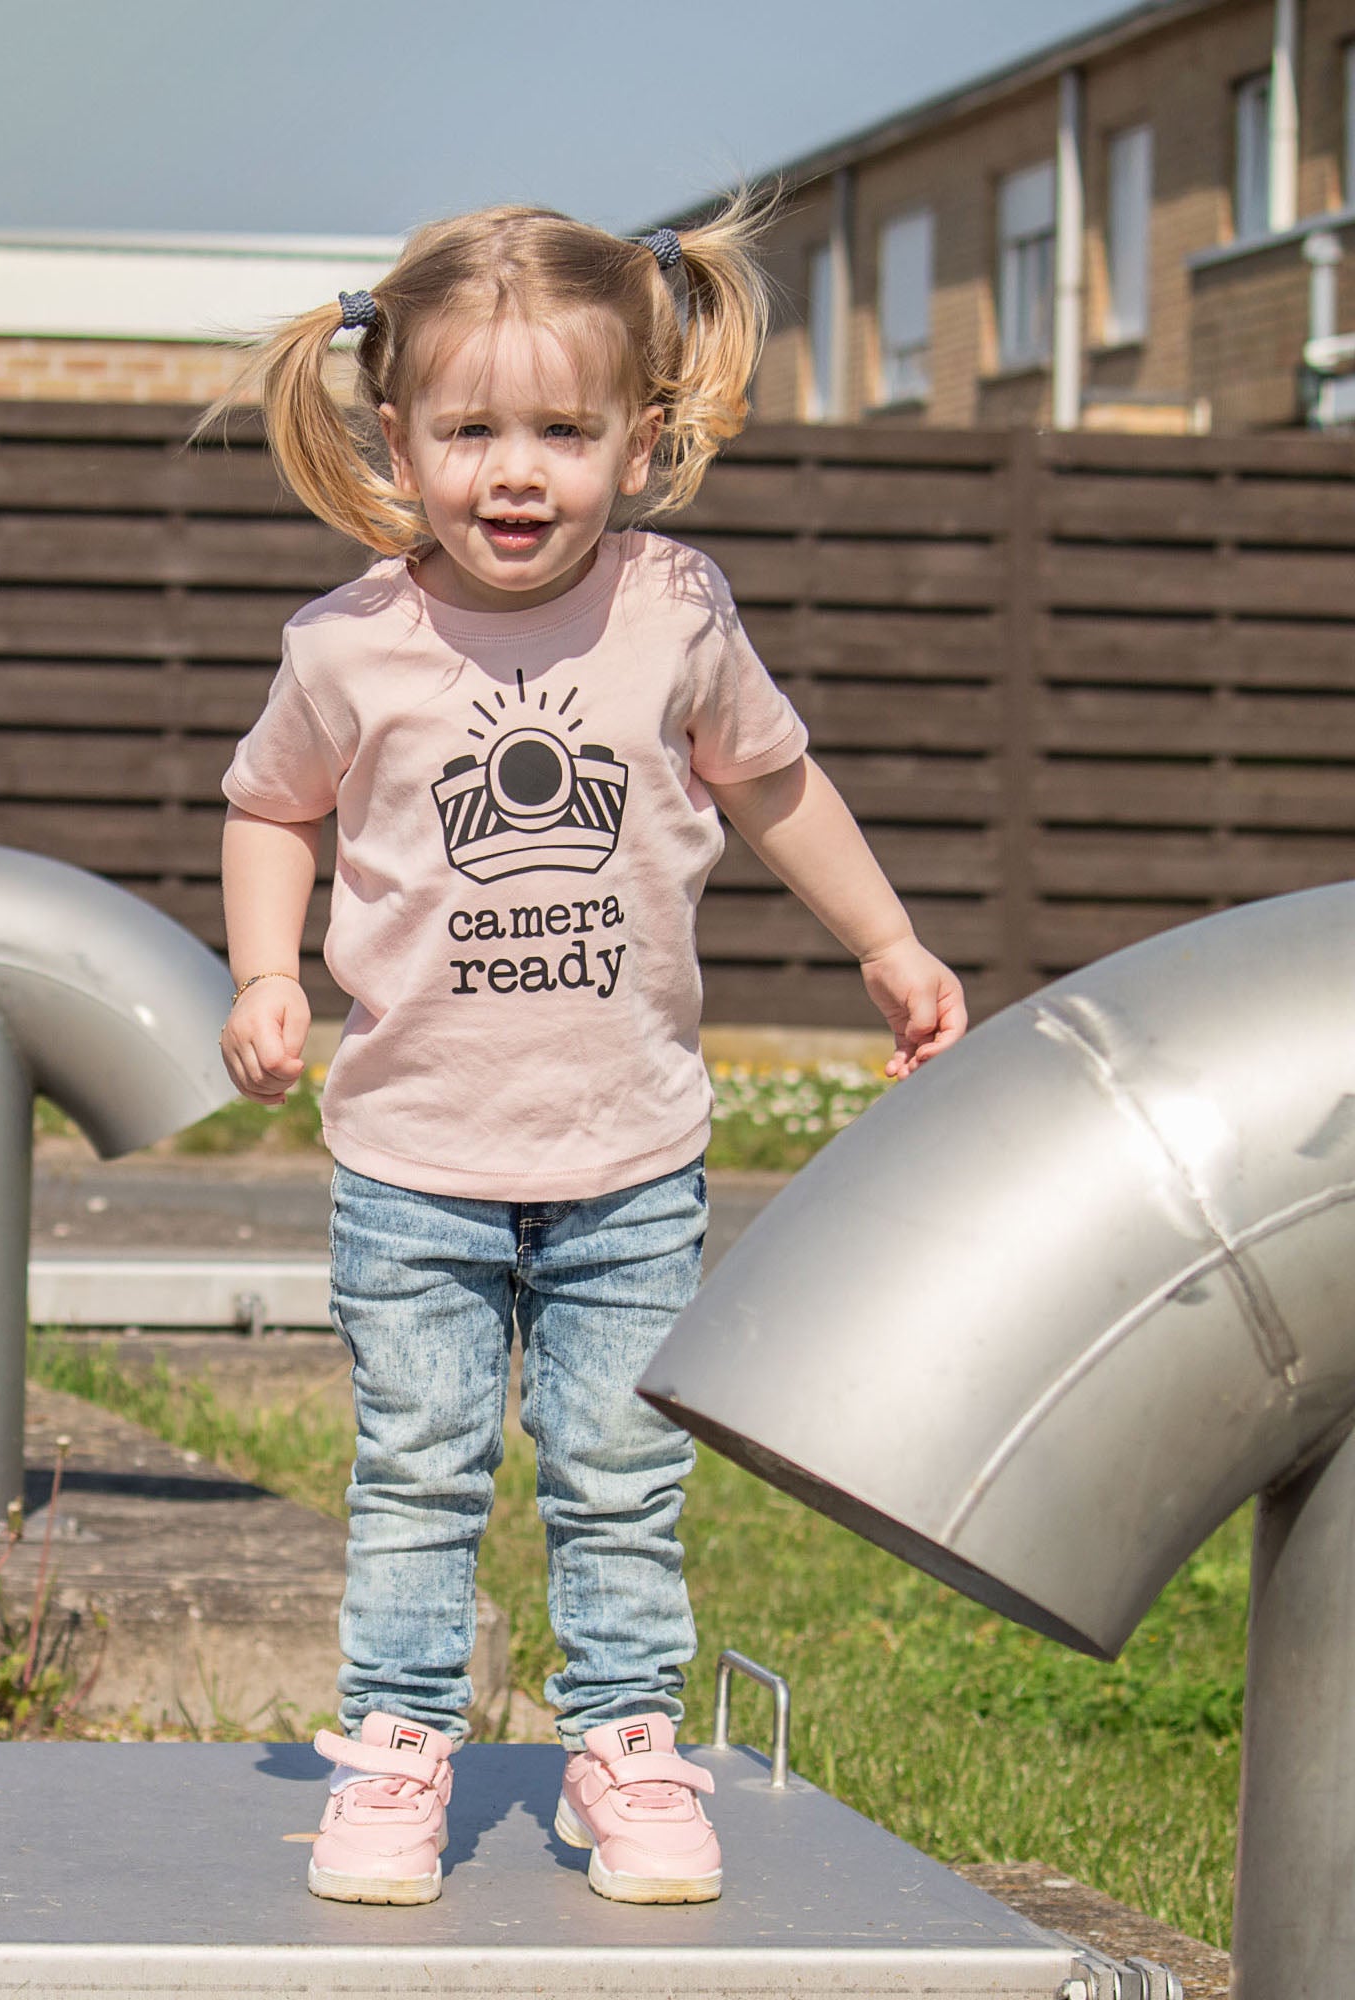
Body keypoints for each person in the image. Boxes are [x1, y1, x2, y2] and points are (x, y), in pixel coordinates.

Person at [210, 200, 966, 1910]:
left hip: (630, 1159)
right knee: (419, 1472)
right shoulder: (347, 646)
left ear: (642, 434)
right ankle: (396, 1748)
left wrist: (887, 940)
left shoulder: (675, 610)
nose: (517, 473)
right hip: (414, 1165)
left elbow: (773, 782)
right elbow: (269, 806)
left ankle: (622, 1741)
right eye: (471, 431)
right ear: (395, 437)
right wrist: (264, 968)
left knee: (621, 1474)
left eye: (563, 430)